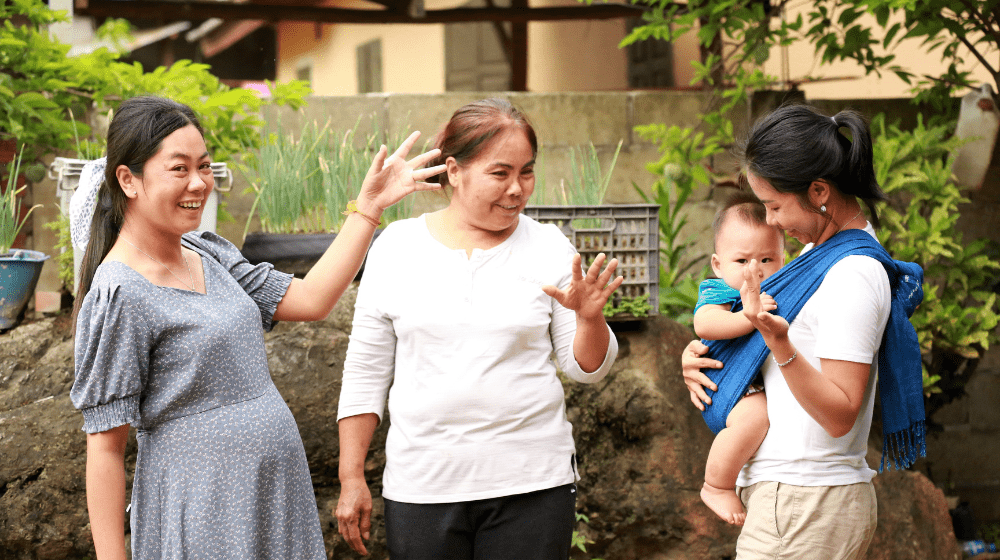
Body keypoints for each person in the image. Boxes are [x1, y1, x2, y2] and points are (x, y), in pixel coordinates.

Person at [69, 95, 446, 560]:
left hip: (274, 494)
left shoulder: (209, 252)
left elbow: (312, 299)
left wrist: (368, 209)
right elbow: (105, 450)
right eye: (178, 169)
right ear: (128, 179)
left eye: (205, 167)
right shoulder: (119, 293)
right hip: (203, 506)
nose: (198, 183)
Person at [335, 97, 624, 559]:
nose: (517, 189)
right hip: (422, 485)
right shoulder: (396, 248)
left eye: (526, 172)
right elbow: (365, 372)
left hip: (532, 484)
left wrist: (590, 318)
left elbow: (586, 369)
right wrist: (351, 476)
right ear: (454, 171)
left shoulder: (547, 246)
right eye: (500, 173)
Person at [680, 104, 925, 560]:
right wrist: (700, 355)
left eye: (774, 206)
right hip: (797, 501)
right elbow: (749, 326)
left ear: (818, 192)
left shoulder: (850, 273)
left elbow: (840, 413)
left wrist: (779, 343)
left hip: (804, 503)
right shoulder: (818, 257)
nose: (770, 221)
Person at [692, 191, 784, 526]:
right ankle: (715, 485)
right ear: (718, 265)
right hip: (725, 383)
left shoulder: (777, 292)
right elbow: (705, 323)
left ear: (783, 258)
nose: (754, 271)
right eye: (742, 261)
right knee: (757, 417)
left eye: (766, 259)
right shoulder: (720, 292)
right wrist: (749, 317)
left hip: (747, 383)